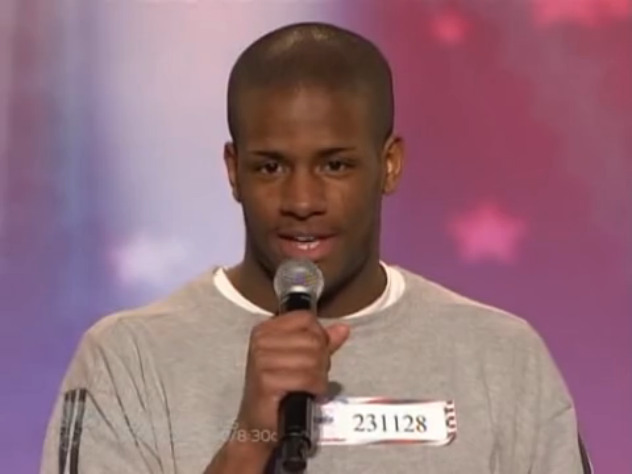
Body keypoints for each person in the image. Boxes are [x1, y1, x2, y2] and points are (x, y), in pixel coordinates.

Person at [40, 21, 586, 474]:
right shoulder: (128, 361)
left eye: (335, 165)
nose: (302, 201)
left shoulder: (502, 359)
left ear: (389, 165)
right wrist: (249, 439)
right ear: (234, 171)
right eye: (271, 167)